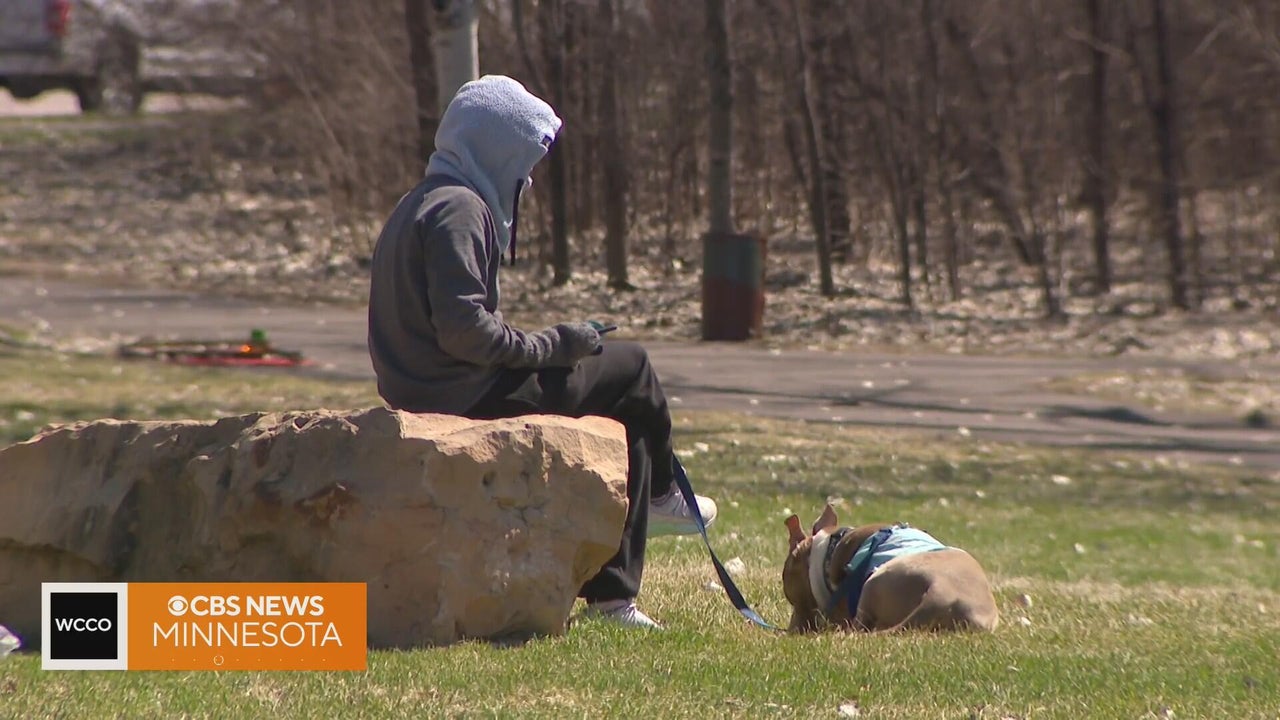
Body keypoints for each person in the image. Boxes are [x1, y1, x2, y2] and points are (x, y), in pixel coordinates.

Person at [366, 75, 717, 630]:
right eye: (523, 158)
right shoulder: (461, 210)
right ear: (495, 149)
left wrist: (549, 346)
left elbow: (456, 328)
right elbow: (466, 334)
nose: (527, 177)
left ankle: (618, 589)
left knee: (620, 407)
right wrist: (558, 344)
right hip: (465, 396)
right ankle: (660, 502)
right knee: (631, 367)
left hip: (425, 388)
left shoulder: (420, 201)